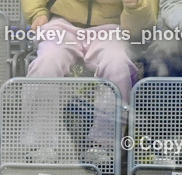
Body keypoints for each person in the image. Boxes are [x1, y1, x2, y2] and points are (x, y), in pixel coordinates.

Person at [22, 0, 157, 165]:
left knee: (117, 65)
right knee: (46, 63)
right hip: (62, 23)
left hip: (113, 28)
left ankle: (104, 145)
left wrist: (134, 7)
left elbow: (143, 26)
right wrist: (38, 12)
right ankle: (40, 144)